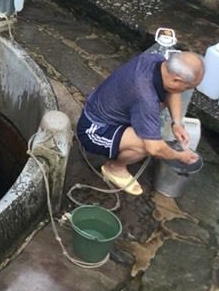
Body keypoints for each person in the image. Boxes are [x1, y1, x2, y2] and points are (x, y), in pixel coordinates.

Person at [77, 51, 204, 196]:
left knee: (154, 119)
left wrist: (177, 123)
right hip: (94, 130)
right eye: (187, 87)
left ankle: (123, 144)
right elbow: (154, 148)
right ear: (176, 80)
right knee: (145, 146)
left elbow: (173, 91)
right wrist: (179, 156)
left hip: (109, 108)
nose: (186, 91)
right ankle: (114, 167)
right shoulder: (145, 98)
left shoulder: (156, 59)